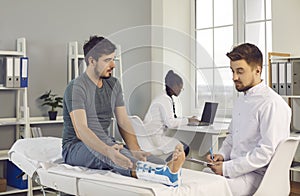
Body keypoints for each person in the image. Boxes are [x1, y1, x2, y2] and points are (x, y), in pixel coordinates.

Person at [62, 35, 185, 186]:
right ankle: (160, 176)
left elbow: (123, 121)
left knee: (147, 158)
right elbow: (81, 130)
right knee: (111, 156)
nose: (113, 64)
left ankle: (165, 169)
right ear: (91, 60)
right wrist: (108, 151)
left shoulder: (113, 84)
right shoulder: (76, 87)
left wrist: (135, 150)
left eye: (113, 59)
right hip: (76, 147)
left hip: (106, 142)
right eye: (107, 60)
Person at [205, 43, 291, 195]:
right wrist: (222, 155)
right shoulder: (241, 101)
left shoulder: (272, 103)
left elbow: (264, 153)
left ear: (257, 70)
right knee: (201, 178)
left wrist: (226, 168)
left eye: (240, 71)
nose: (234, 77)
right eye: (232, 71)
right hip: (237, 169)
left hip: (257, 176)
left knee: (206, 188)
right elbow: (232, 136)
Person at [143, 70, 199, 161]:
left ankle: (166, 165)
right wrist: (188, 120)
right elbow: (170, 123)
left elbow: (170, 118)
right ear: (174, 86)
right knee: (184, 148)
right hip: (155, 140)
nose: (181, 90)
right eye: (180, 88)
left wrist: (186, 119)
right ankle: (168, 166)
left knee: (180, 147)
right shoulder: (164, 99)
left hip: (149, 138)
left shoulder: (162, 96)